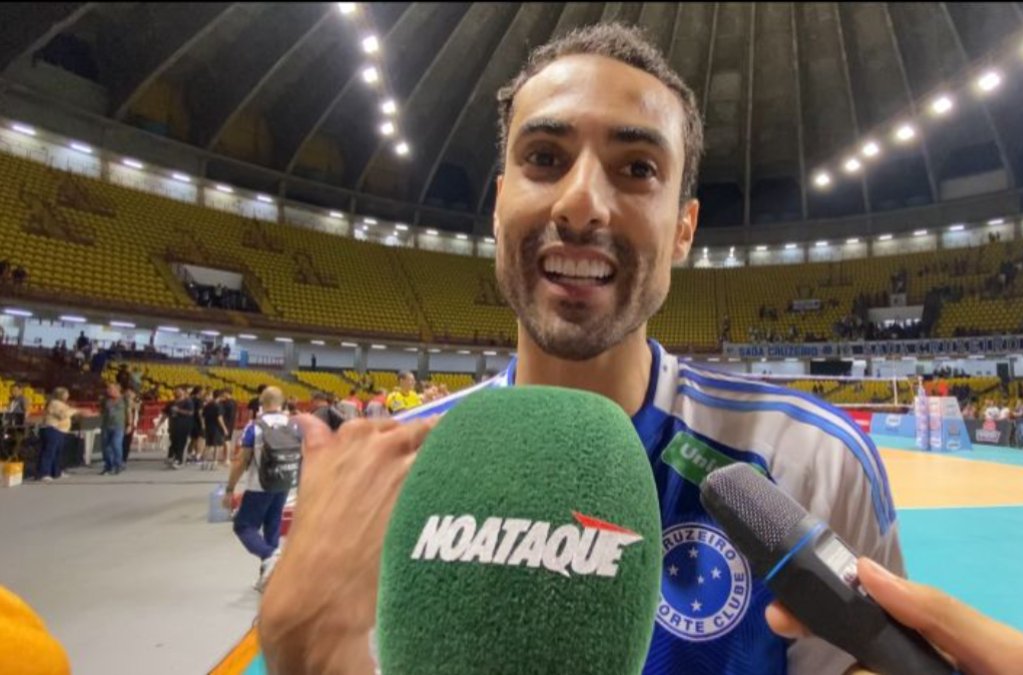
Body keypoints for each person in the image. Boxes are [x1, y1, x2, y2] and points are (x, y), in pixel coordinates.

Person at [256, 24, 904, 675]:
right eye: (543, 158)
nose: (579, 204)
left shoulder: (811, 463)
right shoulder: (399, 478)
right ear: (500, 200)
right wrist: (312, 651)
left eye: (638, 169)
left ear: (683, 229)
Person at [222, 387, 298, 592]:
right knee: (272, 527)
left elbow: (241, 461)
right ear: (282, 403)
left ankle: (270, 556)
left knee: (243, 526)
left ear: (260, 403)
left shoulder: (254, 427)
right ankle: (270, 579)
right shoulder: (292, 425)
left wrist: (229, 489)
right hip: (284, 483)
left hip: (259, 485)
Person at [36, 388, 76, 482]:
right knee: (49, 452)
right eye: (66, 394)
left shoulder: (62, 404)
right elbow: (62, 415)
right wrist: (75, 410)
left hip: (60, 430)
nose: (68, 396)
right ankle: (44, 473)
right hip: (52, 429)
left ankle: (56, 472)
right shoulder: (54, 403)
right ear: (60, 395)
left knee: (57, 452)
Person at [98, 383, 129, 476]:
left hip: (118, 425)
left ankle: (118, 465)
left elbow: (129, 412)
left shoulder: (124, 399)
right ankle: (108, 466)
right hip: (106, 425)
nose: (108, 390)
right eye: (108, 389)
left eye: (110, 389)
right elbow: (102, 411)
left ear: (117, 390)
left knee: (116, 444)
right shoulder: (105, 400)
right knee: (105, 447)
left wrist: (130, 424)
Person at [162, 387, 194, 469]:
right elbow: (165, 414)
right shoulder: (171, 403)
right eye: (176, 391)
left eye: (179, 391)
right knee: (174, 442)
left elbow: (190, 412)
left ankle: (179, 460)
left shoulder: (188, 402)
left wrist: (178, 410)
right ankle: (174, 457)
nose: (177, 393)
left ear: (183, 392)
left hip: (183, 425)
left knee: (181, 443)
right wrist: (158, 425)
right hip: (173, 425)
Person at [202, 390, 229, 471]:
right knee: (217, 445)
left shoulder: (207, 405)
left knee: (208, 445)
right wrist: (224, 428)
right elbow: (219, 418)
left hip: (208, 426)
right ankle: (214, 462)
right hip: (216, 427)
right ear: (220, 396)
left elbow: (203, 415)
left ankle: (204, 462)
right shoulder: (218, 406)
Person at [121, 388, 140, 465]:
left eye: (131, 393)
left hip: (131, 424)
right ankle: (119, 458)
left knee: (127, 442)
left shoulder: (136, 403)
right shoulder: (122, 403)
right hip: (123, 423)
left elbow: (139, 411)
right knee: (121, 441)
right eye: (127, 392)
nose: (129, 394)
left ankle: (124, 458)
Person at [221, 389, 239, 467]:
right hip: (230, 423)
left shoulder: (228, 403)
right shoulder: (233, 402)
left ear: (227, 393)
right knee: (226, 441)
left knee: (226, 440)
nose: (223, 395)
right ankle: (225, 457)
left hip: (227, 423)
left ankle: (227, 458)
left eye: (224, 393)